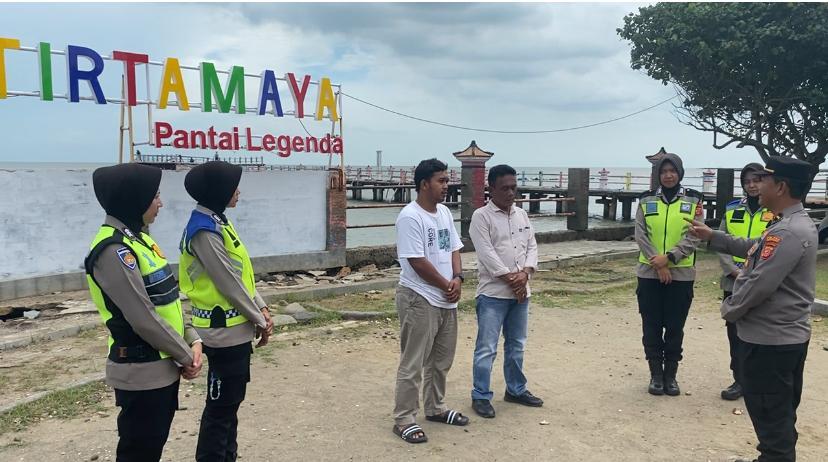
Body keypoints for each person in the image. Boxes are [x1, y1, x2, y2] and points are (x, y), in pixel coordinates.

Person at [687, 156, 816, 462]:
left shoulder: (787, 231)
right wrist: (712, 236)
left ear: (781, 186)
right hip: (782, 339)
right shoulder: (788, 223)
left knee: (771, 415)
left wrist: (729, 307)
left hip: (770, 342)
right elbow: (753, 246)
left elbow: (759, 283)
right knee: (778, 414)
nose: (757, 187)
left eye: (763, 181)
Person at [84, 163, 202, 462]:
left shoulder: (141, 241)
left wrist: (192, 337)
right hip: (141, 371)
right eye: (155, 195)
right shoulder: (114, 250)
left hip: (160, 368)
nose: (160, 202)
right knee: (139, 453)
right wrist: (186, 355)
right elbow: (143, 317)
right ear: (133, 198)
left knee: (151, 448)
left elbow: (168, 299)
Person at [178, 161, 274, 461]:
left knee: (230, 405)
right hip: (222, 333)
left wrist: (262, 306)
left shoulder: (218, 222)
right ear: (218, 191)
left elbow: (241, 274)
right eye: (233, 186)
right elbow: (228, 283)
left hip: (235, 329)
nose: (238, 191)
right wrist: (259, 319)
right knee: (220, 410)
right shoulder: (203, 231)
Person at [392, 158, 468, 444]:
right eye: (441, 181)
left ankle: (435, 407)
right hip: (419, 297)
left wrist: (458, 279)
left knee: (440, 360)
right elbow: (416, 261)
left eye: (447, 180)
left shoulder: (445, 213)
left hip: (447, 297)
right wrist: (445, 284)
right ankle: (404, 418)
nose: (446, 186)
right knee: (413, 362)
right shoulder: (410, 217)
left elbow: (455, 248)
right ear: (424, 184)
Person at [468, 164, 543, 419]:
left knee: (517, 345)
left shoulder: (521, 215)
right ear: (491, 188)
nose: (510, 193)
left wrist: (525, 273)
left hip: (521, 292)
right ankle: (480, 394)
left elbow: (532, 245)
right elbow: (486, 253)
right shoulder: (481, 217)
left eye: (514, 187)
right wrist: (512, 279)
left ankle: (516, 389)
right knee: (487, 347)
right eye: (505, 188)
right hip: (493, 294)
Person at [635, 152, 702, 396]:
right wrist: (659, 264)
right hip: (649, 274)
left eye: (672, 170)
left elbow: (695, 235)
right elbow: (640, 234)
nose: (668, 175)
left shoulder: (694, 200)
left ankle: (670, 375)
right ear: (658, 175)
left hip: (681, 275)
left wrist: (670, 258)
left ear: (680, 172)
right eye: (663, 171)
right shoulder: (645, 200)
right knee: (651, 326)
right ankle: (655, 375)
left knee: (675, 327)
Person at [717, 163, 773, 401]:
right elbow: (721, 242)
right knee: (735, 334)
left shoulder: (774, 212)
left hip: (762, 282)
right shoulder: (731, 209)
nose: (751, 185)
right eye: (747, 181)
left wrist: (755, 274)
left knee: (762, 333)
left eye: (756, 180)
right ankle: (739, 379)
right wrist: (733, 272)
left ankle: (760, 382)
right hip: (733, 283)